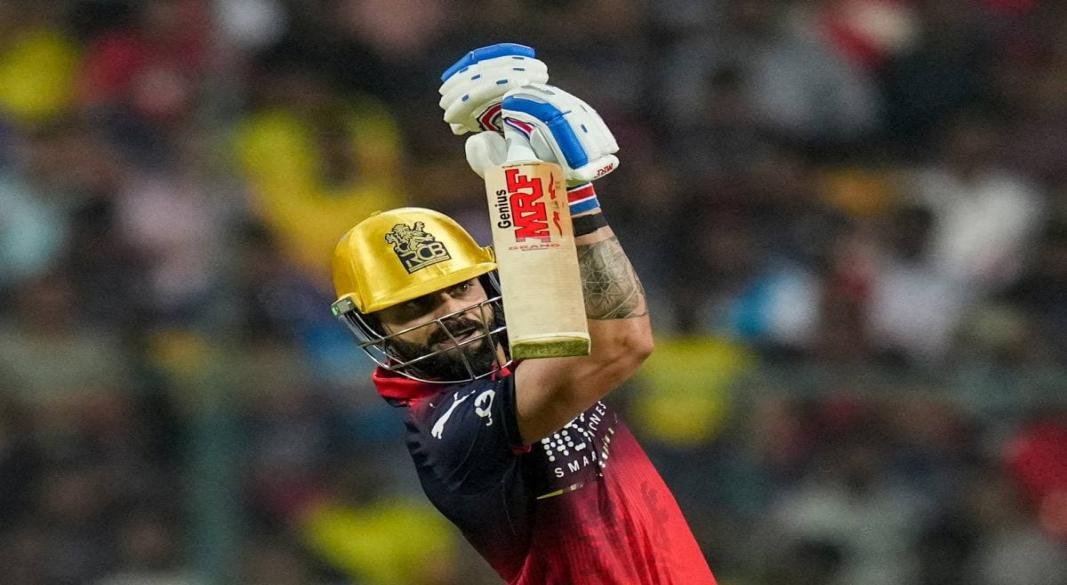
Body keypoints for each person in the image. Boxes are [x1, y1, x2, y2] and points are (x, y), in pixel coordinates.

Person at [330, 44, 717, 584]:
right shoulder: (447, 430)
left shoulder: (514, 355)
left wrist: (531, 179)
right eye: (415, 307)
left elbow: (567, 302)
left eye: (459, 290)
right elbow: (621, 343)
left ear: (487, 284)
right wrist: (576, 191)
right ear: (378, 332)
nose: (451, 314)